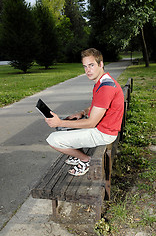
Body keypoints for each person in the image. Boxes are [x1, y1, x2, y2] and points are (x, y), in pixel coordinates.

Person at [45, 48, 124, 176]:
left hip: (104, 133)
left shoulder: (106, 87)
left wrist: (59, 122)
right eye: (85, 66)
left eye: (91, 65)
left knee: (53, 139)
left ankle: (86, 160)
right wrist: (82, 112)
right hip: (102, 127)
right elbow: (98, 106)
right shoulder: (102, 81)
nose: (88, 70)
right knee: (65, 126)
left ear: (101, 64)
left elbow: (91, 122)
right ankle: (77, 156)